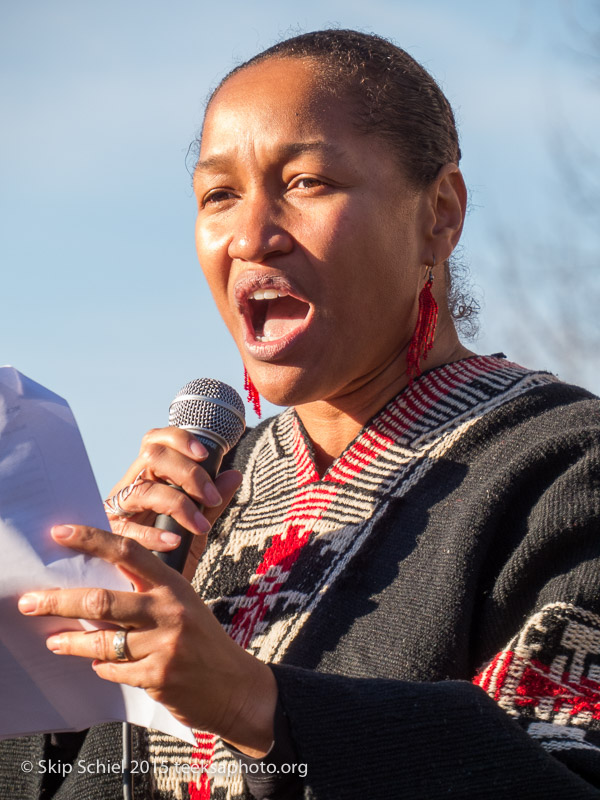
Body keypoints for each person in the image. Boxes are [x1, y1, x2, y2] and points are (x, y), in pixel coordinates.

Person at [2, 28, 600, 800]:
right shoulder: (204, 505)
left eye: (308, 183)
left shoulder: (564, 470)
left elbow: (569, 775)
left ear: (439, 215)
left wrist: (257, 703)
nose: (251, 235)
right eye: (219, 195)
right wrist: (62, 639)